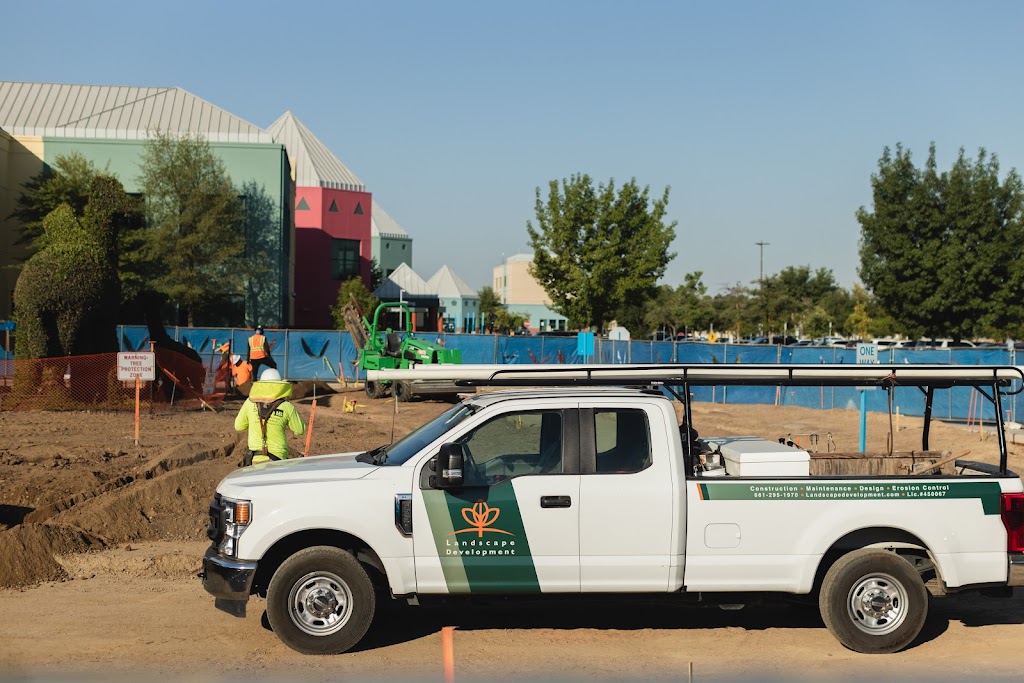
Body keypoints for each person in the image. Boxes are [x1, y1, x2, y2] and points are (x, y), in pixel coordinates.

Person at [234, 367, 305, 466]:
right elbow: (300, 430)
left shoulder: (249, 403)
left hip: (255, 459)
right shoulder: (286, 406)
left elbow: (239, 426)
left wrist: (254, 420)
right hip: (278, 459)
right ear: (280, 386)